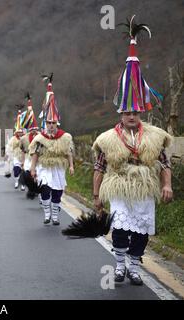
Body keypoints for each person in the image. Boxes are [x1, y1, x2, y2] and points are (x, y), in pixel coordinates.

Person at [92, 16, 173, 286]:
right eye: (127, 112)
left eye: (135, 112)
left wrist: (167, 186)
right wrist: (96, 196)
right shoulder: (108, 139)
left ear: (140, 112)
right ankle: (118, 265)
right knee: (121, 229)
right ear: (121, 113)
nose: (131, 115)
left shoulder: (153, 136)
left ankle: (135, 266)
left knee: (141, 231)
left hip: (144, 187)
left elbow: (164, 163)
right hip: (118, 187)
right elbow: (100, 167)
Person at [30, 76, 74, 225]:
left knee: (57, 192)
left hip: (58, 168)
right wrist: (32, 168)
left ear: (57, 123)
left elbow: (68, 152)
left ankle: (55, 215)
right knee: (45, 189)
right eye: (48, 123)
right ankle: (47, 213)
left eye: (53, 123)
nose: (50, 125)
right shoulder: (40, 138)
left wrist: (72, 166)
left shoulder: (64, 137)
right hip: (44, 167)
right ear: (45, 123)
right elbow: (35, 153)